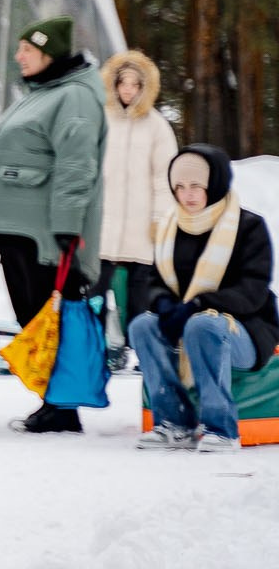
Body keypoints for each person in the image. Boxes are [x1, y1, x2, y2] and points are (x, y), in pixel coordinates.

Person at [0, 16, 107, 435]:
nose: (18, 57)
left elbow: (77, 165)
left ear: (48, 54)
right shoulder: (45, 92)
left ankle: (62, 405)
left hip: (46, 232)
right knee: (35, 317)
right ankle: (53, 400)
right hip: (21, 227)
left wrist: (68, 224)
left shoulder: (73, 97)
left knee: (49, 315)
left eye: (27, 50)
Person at [133, 148, 277, 452]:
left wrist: (200, 305)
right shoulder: (170, 228)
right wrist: (163, 305)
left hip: (245, 331)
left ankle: (221, 429)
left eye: (196, 185)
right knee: (143, 326)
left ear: (216, 183)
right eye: (180, 187)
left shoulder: (249, 226)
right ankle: (174, 422)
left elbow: (253, 290)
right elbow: (153, 281)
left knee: (203, 325)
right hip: (188, 324)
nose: (188, 195)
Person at [98, 49, 177, 351]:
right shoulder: (103, 120)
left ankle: (136, 346)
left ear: (145, 88)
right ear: (114, 85)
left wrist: (160, 218)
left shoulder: (156, 126)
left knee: (137, 288)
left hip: (140, 223)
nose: (128, 90)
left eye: (135, 84)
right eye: (123, 83)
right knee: (97, 286)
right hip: (106, 221)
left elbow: (164, 176)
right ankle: (99, 344)